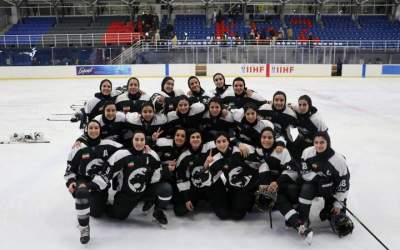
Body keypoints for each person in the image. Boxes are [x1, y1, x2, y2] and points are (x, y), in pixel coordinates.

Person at [64, 120, 122, 244]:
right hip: (83, 180)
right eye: (91, 128)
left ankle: (92, 200)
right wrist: (71, 182)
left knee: (96, 213)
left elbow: (129, 151)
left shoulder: (110, 145)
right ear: (86, 130)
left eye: (96, 128)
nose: (94, 130)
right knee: (81, 193)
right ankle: (84, 228)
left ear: (100, 130)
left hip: (100, 182)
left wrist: (146, 146)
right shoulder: (78, 148)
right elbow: (70, 170)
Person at [106, 130, 172, 226]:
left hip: (144, 190)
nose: (139, 142)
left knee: (165, 189)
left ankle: (157, 211)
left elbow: (157, 173)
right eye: (136, 139)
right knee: (119, 216)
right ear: (132, 140)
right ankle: (106, 205)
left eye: (142, 140)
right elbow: (107, 173)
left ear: (145, 141)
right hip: (127, 194)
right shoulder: (122, 154)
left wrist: (166, 170)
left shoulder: (151, 154)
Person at [297, 131, 351, 241]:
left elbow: (344, 183)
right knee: (305, 190)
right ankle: (304, 219)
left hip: (332, 189)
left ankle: (330, 210)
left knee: (338, 220)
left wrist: (338, 204)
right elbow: (304, 172)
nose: (318, 145)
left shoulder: (338, 160)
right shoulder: (307, 152)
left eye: (322, 142)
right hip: (315, 184)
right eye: (316, 142)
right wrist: (318, 179)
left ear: (328, 143)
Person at [174, 129, 226, 218]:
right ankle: (200, 199)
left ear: (202, 139)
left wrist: (239, 144)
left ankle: (212, 199)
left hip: (212, 184)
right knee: (179, 210)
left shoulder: (209, 146)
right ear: (189, 140)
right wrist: (187, 199)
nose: (195, 139)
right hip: (195, 186)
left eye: (198, 137)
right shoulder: (184, 156)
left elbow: (226, 140)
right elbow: (181, 178)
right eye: (193, 137)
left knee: (223, 214)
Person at [207, 132, 258, 220]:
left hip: (246, 186)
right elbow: (210, 180)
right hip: (232, 186)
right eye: (218, 142)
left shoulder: (239, 150)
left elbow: (257, 161)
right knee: (223, 215)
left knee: (238, 216)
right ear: (215, 144)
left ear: (228, 141)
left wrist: (240, 144)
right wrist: (206, 166)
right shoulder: (214, 158)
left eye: (224, 141)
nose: (222, 144)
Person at [290, 95, 328, 161]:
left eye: (304, 105)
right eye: (300, 105)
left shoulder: (316, 120)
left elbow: (325, 136)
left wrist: (327, 152)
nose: (302, 107)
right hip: (300, 141)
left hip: (313, 145)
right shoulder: (297, 110)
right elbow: (287, 105)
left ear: (309, 105)